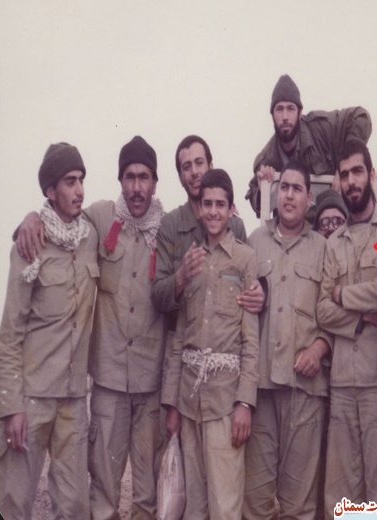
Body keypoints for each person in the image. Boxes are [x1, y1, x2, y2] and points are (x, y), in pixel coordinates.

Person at [14, 136, 168, 519]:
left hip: (151, 387)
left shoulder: (169, 231)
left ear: (155, 181)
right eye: (129, 177)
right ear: (120, 181)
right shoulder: (99, 218)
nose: (137, 186)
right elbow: (58, 218)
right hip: (107, 386)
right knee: (102, 495)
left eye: (144, 177)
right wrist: (29, 218)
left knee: (148, 495)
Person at [0, 143, 98, 519]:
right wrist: (11, 408)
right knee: (14, 503)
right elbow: (9, 334)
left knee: (74, 507)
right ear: (50, 191)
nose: (79, 190)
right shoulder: (30, 245)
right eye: (70, 182)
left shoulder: (90, 237)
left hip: (73, 399)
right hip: (32, 398)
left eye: (81, 180)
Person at [161, 169, 259, 519]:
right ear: (199, 209)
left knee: (225, 505)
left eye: (220, 204)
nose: (213, 211)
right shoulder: (192, 259)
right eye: (207, 204)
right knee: (194, 507)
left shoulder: (245, 259)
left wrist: (245, 402)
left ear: (231, 209)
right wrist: (172, 403)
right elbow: (180, 338)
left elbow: (251, 340)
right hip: (190, 403)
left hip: (224, 404)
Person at [317, 139, 377, 515]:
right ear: (338, 181)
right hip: (341, 385)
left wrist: (341, 294)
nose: (351, 181)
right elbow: (322, 310)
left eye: (357, 171)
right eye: (344, 174)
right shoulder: (333, 243)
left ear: (370, 174)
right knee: (340, 497)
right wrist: (364, 317)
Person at [243, 160, 331, 520]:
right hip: (261, 390)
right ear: (275, 194)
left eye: (297, 189)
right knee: (256, 500)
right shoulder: (254, 242)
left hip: (304, 391)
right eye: (284, 187)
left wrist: (319, 349)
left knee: (299, 505)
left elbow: (334, 313)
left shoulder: (324, 248)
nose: (289, 195)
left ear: (309, 199)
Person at [152, 135, 264, 326]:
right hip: (182, 337)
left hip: (225, 337)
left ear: (211, 166)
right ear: (180, 177)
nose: (194, 172)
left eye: (199, 163)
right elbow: (157, 297)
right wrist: (180, 278)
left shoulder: (235, 226)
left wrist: (260, 293)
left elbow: (248, 282)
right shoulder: (169, 225)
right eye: (187, 167)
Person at [245, 74, 372, 217]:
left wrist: (344, 165)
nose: (285, 116)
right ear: (272, 116)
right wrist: (264, 189)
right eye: (279, 109)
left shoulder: (321, 129)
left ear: (300, 113)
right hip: (295, 226)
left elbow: (361, 117)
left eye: (290, 109)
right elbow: (254, 198)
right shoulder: (266, 159)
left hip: (335, 220)